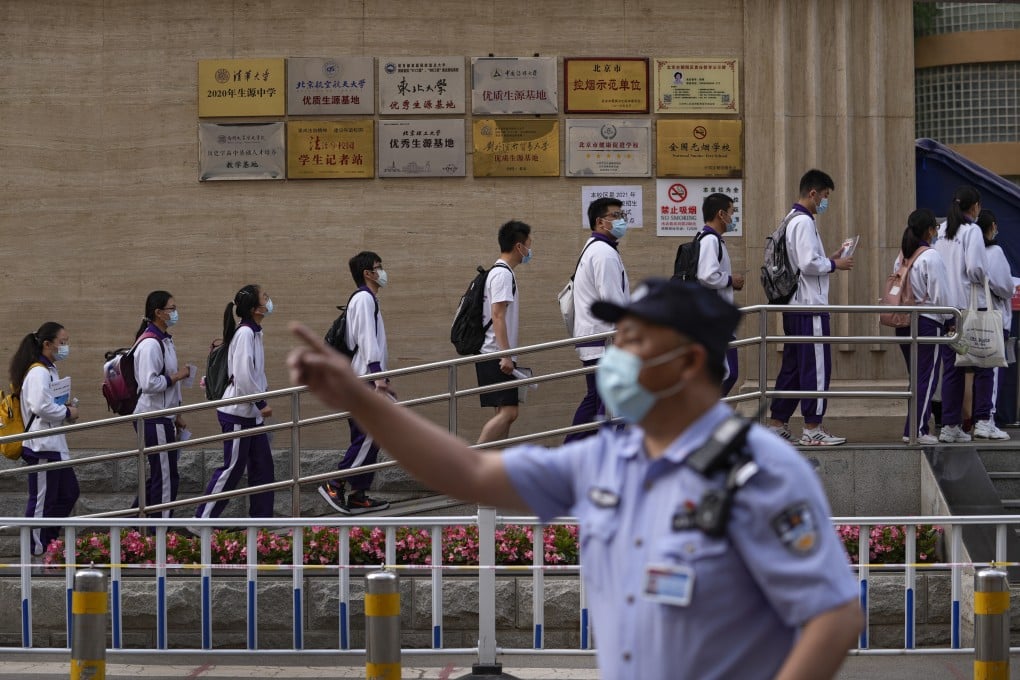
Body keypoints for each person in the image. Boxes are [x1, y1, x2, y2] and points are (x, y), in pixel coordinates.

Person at [287, 278, 863, 680]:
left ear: (688, 363)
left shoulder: (760, 469)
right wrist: (360, 400)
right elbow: (466, 470)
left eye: (635, 341)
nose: (616, 354)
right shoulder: (606, 459)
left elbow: (834, 615)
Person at [768, 169, 854, 446]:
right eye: (825, 196)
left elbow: (803, 262)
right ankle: (812, 427)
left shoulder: (791, 220)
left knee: (793, 367)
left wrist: (829, 258)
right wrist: (834, 264)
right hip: (809, 307)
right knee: (816, 368)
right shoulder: (804, 222)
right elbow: (807, 264)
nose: (826, 202)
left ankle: (778, 423)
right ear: (813, 193)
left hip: (795, 306)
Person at [192, 285, 276, 525]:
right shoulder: (245, 334)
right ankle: (202, 520)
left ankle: (261, 523)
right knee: (233, 468)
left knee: (263, 468)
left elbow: (254, 374)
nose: (269, 301)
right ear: (254, 308)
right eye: (265, 297)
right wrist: (260, 402)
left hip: (250, 414)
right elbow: (242, 375)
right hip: (239, 413)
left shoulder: (254, 332)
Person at [318, 252, 395, 513]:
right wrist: (376, 375)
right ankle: (334, 483)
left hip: (366, 378)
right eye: (379, 267)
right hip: (363, 379)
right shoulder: (363, 298)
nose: (383, 271)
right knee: (371, 433)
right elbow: (365, 339)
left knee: (365, 437)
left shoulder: (368, 299)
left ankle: (359, 494)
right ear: (368, 273)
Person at [12, 322, 81, 556]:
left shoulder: (49, 370)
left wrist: (64, 409)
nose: (65, 347)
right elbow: (41, 406)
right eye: (62, 343)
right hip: (41, 445)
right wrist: (67, 412)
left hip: (54, 445)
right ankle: (35, 548)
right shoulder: (38, 371)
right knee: (42, 500)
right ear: (47, 344)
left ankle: (48, 539)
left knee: (68, 492)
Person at [565, 197, 630, 442]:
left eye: (622, 214)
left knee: (596, 400)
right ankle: (581, 455)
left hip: (596, 341)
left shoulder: (595, 247)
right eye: (616, 215)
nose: (622, 220)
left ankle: (572, 455)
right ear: (600, 222)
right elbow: (612, 303)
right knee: (607, 405)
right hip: (606, 343)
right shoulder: (604, 253)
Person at [890, 210, 951, 444]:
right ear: (929, 230)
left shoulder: (902, 256)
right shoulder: (931, 257)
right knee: (927, 376)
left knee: (915, 377)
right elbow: (940, 294)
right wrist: (950, 318)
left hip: (904, 321)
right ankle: (917, 430)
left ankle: (912, 427)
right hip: (927, 321)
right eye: (935, 228)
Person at [933, 186, 988, 443]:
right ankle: (973, 421)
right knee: (977, 363)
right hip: (966, 308)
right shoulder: (972, 231)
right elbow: (976, 268)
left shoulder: (943, 230)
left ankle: (949, 424)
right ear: (975, 206)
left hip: (945, 309)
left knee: (951, 369)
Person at [133, 290, 192, 518]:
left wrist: (176, 414)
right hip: (153, 417)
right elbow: (149, 383)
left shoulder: (165, 340)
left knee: (161, 476)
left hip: (164, 416)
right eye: (171, 309)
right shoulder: (150, 343)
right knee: (166, 478)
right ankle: (160, 534)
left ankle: (132, 529)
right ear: (158, 313)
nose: (175, 313)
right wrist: (177, 376)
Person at [476, 220, 532, 445]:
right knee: (510, 413)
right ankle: (471, 463)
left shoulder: (501, 272)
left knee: (503, 414)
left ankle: (494, 470)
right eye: (529, 244)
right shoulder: (502, 275)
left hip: (496, 353)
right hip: (495, 354)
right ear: (519, 246)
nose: (530, 250)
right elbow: (497, 315)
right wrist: (506, 355)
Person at [695, 192, 744, 396]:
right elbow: (706, 276)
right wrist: (731, 280)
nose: (732, 218)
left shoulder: (712, 240)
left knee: (722, 373)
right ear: (721, 214)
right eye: (732, 212)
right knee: (727, 373)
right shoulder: (710, 241)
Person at [975, 209, 1014, 439]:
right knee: (992, 370)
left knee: (974, 370)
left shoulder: (967, 252)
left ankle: (973, 420)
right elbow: (1006, 287)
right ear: (991, 227)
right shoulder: (995, 251)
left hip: (971, 315)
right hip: (993, 317)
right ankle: (986, 419)